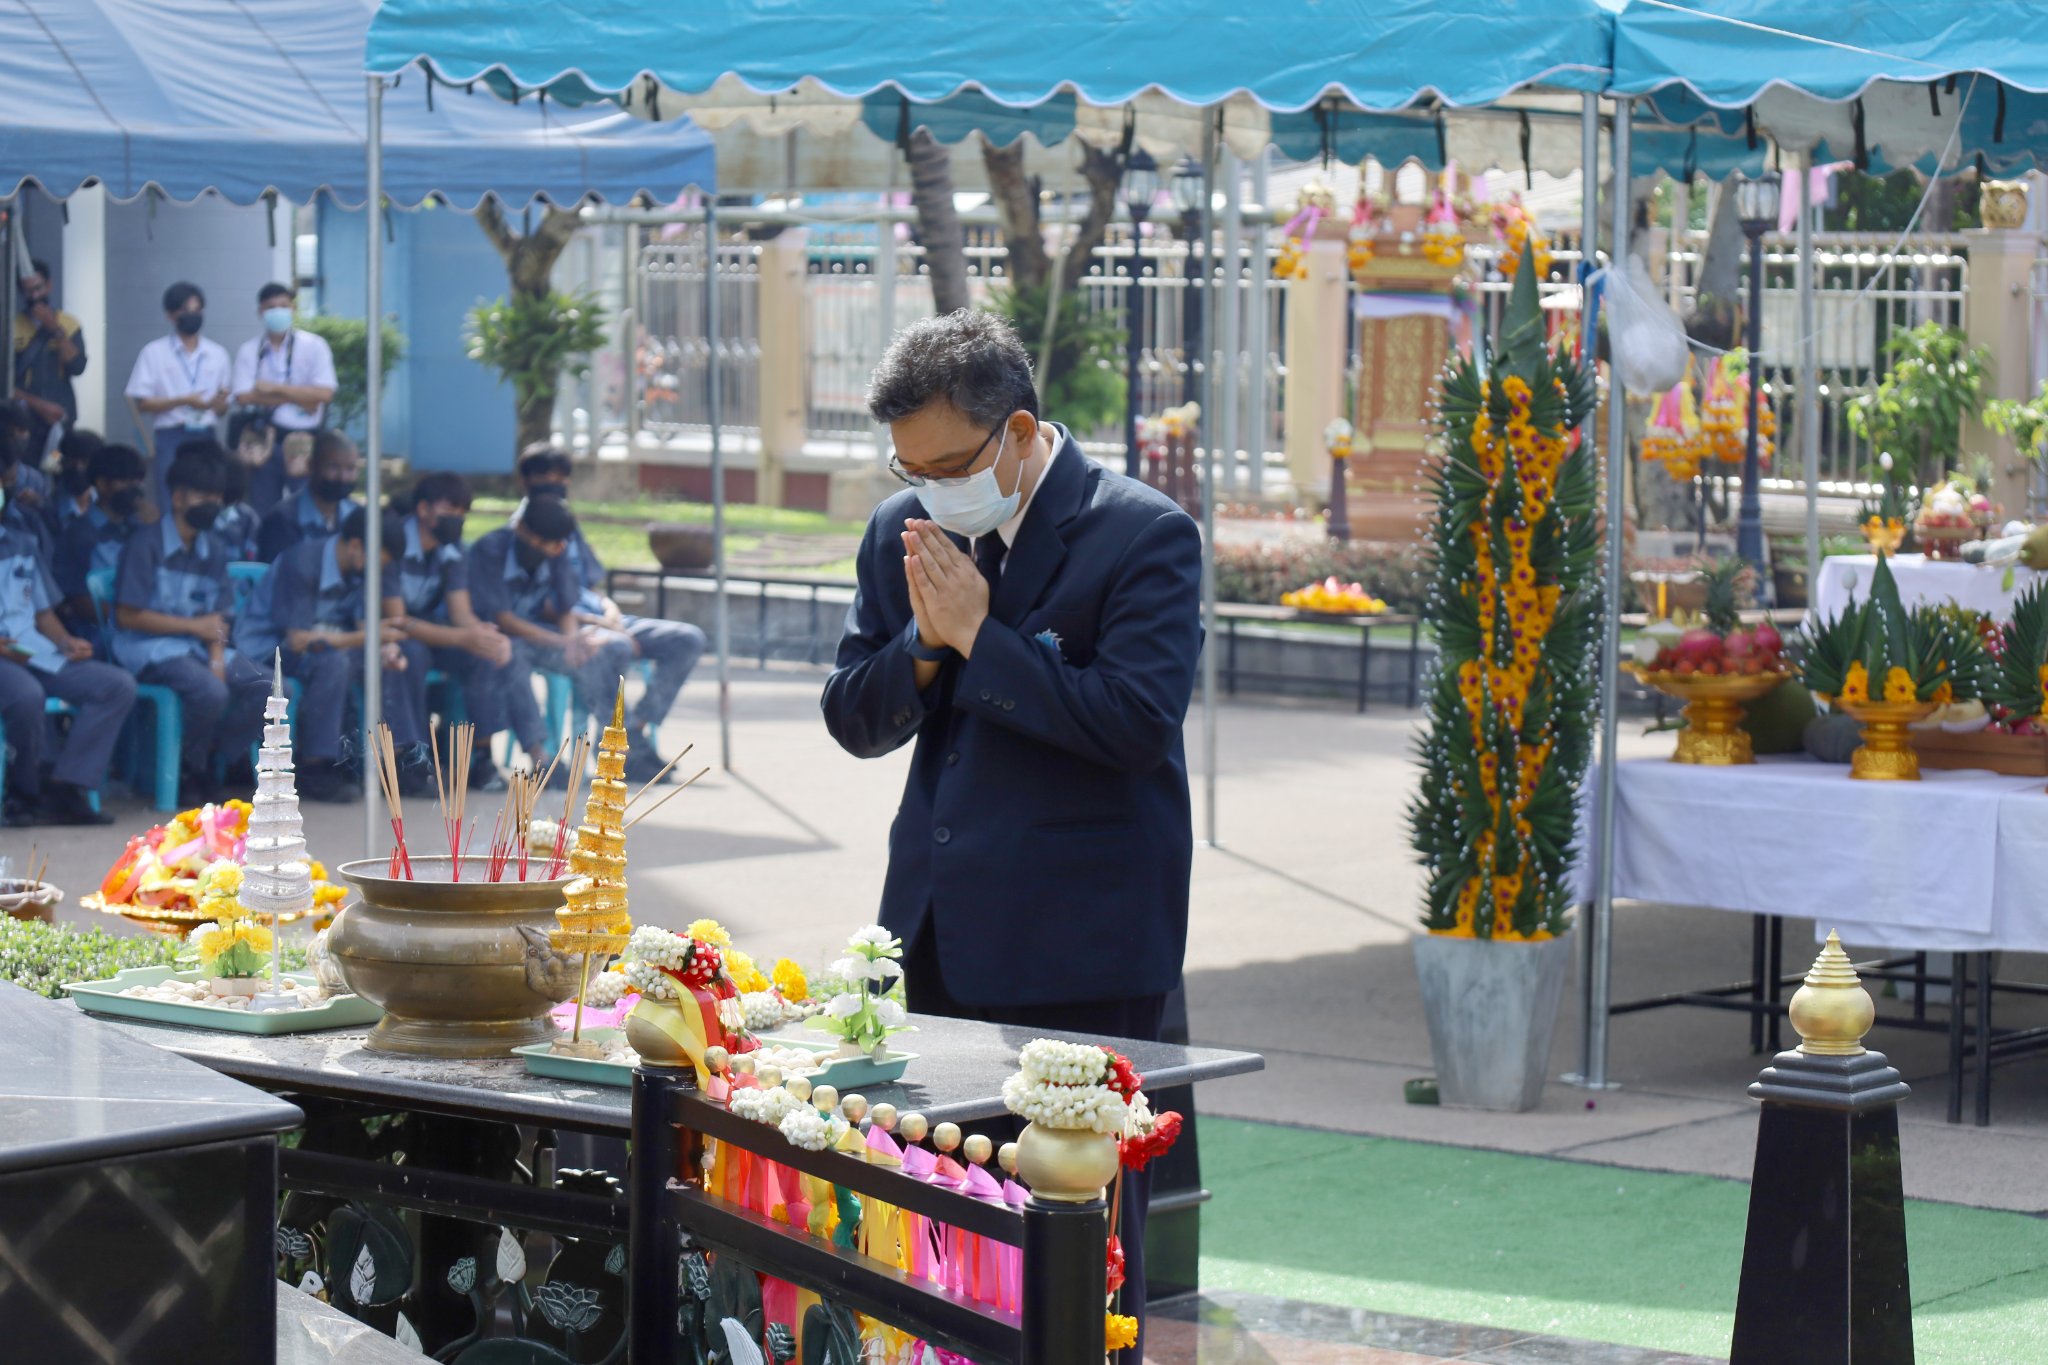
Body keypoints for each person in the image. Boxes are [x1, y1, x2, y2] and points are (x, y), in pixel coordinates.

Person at [819, 311, 1202, 1342]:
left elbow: (1130, 724)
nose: (929, 488)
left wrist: (981, 637)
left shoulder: (1142, 534)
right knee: (944, 1220)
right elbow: (855, 714)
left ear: (1021, 430)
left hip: (1082, 934)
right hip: (936, 922)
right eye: (907, 466)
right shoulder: (905, 528)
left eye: (949, 463)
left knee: (1082, 1246)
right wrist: (930, 647)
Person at [516, 447, 705, 783]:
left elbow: (592, 585)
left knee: (687, 639)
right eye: (546, 477)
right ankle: (621, 750)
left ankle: (635, 730)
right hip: (566, 628)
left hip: (599, 615)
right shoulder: (527, 530)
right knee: (613, 647)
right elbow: (546, 602)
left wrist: (611, 612)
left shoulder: (567, 523)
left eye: (561, 477)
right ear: (526, 480)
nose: (555, 483)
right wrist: (605, 626)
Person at [237, 507, 429, 802]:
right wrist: (369, 637)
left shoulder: (360, 568)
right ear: (355, 546)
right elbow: (298, 640)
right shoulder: (302, 562)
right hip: (270, 650)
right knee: (333, 663)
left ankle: (400, 759)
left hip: (326, 647)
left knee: (387, 662)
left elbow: (363, 627)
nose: (378, 571)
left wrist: (383, 647)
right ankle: (317, 766)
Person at [111, 443, 269, 802]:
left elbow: (219, 616)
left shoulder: (212, 548)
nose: (212, 503)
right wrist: (192, 629)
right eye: (203, 494)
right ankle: (187, 770)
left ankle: (218, 758)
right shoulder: (145, 544)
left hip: (200, 648)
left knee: (272, 687)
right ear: (178, 497)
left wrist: (216, 656)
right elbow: (126, 615)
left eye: (216, 495)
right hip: (146, 649)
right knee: (210, 691)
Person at [386, 473, 516, 791]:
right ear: (423, 509)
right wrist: (463, 637)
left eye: (462, 512)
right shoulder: (394, 542)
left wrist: (486, 636)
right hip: (387, 633)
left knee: (482, 654)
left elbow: (460, 613)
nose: (456, 519)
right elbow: (397, 620)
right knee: (411, 654)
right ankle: (412, 759)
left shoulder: (453, 548)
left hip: (431, 632)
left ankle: (481, 759)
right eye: (449, 510)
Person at [0, 518, 132, 826]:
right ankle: (23, 793)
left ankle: (66, 788)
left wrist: (65, 641)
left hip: (31, 650)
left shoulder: (22, 543)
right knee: (27, 695)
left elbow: (43, 613)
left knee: (116, 686)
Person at [467, 496, 585, 781]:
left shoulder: (556, 550)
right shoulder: (490, 549)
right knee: (512, 653)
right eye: (533, 539)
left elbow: (566, 607)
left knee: (602, 655)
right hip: (490, 635)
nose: (538, 547)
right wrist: (561, 643)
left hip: (537, 635)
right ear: (518, 527)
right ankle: (540, 758)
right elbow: (503, 619)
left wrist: (572, 642)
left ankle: (623, 750)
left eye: (547, 544)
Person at [229, 283, 336, 513]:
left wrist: (270, 388)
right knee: (263, 509)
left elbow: (325, 393)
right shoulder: (250, 350)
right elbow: (244, 397)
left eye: (283, 306)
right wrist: (303, 396)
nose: (278, 312)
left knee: (306, 508)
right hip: (263, 441)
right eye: (271, 308)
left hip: (304, 441)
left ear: (294, 309)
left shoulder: (314, 346)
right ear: (260, 312)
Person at [127, 282, 231, 508]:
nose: (192, 315)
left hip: (206, 435)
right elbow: (141, 404)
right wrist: (184, 400)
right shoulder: (154, 352)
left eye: (197, 310)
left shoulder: (217, 354)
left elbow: (223, 409)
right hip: (170, 435)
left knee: (208, 496)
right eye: (185, 310)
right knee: (170, 496)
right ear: (171, 315)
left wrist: (218, 404)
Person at [53, 441, 148, 639]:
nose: (135, 488)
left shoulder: (140, 528)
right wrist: (136, 621)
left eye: (138, 481)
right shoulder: (78, 534)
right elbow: (78, 601)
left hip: (150, 628)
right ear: (102, 484)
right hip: (100, 634)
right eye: (126, 481)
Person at [13, 260, 87, 460]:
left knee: (56, 466)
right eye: (28, 291)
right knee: (28, 472)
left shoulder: (69, 324)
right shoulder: (12, 327)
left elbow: (77, 367)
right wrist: (39, 405)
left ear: (49, 285)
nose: (35, 296)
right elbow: (5, 381)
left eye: (38, 288)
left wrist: (54, 329)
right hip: (24, 420)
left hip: (60, 418)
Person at [257, 431, 361, 563]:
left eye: (350, 469)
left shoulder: (357, 516)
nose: (343, 477)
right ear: (311, 465)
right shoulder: (283, 519)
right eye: (334, 467)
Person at [42, 428, 106, 540]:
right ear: (63, 462)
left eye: (85, 462)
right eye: (72, 461)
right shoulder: (45, 512)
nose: (78, 468)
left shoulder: (107, 509)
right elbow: (48, 466)